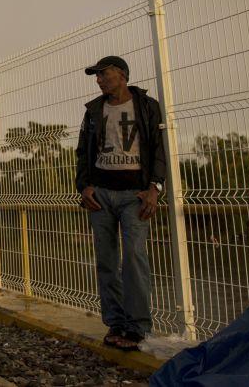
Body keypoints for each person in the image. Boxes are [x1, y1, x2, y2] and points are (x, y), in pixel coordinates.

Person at [76, 55, 166, 352]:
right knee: (106, 261)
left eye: (104, 74)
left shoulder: (146, 107)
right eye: (97, 76)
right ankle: (115, 322)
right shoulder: (94, 111)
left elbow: (158, 149)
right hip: (100, 196)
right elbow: (82, 152)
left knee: (134, 259)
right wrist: (85, 186)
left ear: (122, 75)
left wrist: (155, 187)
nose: (99, 79)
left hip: (135, 196)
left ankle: (138, 327)